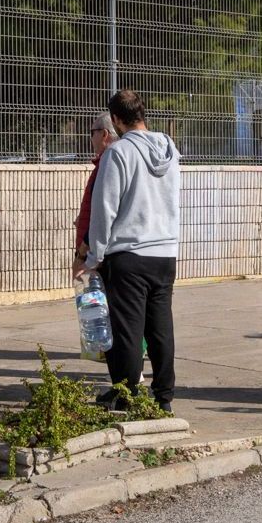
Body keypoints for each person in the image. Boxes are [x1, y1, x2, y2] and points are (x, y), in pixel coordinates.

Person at [77, 90, 180, 414]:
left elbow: (104, 208)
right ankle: (163, 397)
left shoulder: (118, 153)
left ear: (117, 120)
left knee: (129, 332)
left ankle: (127, 394)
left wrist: (93, 257)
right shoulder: (169, 148)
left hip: (129, 254)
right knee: (160, 327)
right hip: (164, 251)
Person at [73, 112, 117, 269]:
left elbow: (103, 214)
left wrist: (83, 255)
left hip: (95, 256)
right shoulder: (103, 164)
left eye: (92, 133)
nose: (91, 138)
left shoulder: (107, 166)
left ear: (104, 134)